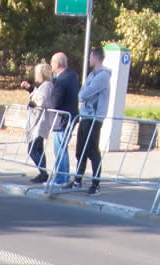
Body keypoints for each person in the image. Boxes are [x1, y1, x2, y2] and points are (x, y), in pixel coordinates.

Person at [72, 47, 109, 194]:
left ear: (96, 58)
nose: (89, 60)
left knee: (92, 150)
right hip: (85, 115)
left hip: (94, 117)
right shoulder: (92, 74)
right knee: (81, 150)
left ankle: (96, 183)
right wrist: (82, 94)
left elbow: (86, 93)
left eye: (90, 57)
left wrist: (82, 95)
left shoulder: (103, 76)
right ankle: (77, 180)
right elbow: (81, 92)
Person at [23, 62, 57, 185]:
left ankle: (44, 173)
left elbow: (42, 101)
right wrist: (29, 89)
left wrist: (33, 104)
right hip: (36, 120)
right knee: (38, 148)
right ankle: (43, 172)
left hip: (40, 121)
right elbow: (36, 95)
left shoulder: (47, 85)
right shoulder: (42, 85)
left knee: (33, 149)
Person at [50, 52, 79, 188]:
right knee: (62, 148)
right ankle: (63, 177)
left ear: (58, 63)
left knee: (60, 148)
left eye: (52, 62)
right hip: (70, 116)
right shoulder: (72, 76)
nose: (51, 65)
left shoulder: (62, 80)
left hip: (62, 119)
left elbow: (55, 102)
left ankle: (62, 178)